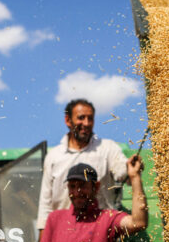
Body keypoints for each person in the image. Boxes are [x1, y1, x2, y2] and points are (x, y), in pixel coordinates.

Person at [36, 99, 129, 233]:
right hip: (63, 234)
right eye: (81, 118)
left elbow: (123, 172)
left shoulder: (107, 148)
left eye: (90, 118)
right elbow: (45, 204)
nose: (86, 123)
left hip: (100, 233)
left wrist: (130, 168)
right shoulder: (53, 157)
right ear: (68, 120)